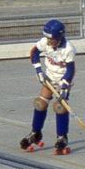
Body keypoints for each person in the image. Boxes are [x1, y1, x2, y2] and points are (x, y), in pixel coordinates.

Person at [24, 19, 75, 155]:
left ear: (58, 38)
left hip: (63, 79)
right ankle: (35, 133)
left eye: (50, 39)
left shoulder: (68, 49)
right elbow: (34, 52)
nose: (47, 41)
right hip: (49, 77)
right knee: (40, 104)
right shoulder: (45, 42)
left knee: (60, 107)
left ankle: (62, 137)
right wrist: (38, 70)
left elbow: (71, 69)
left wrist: (65, 84)